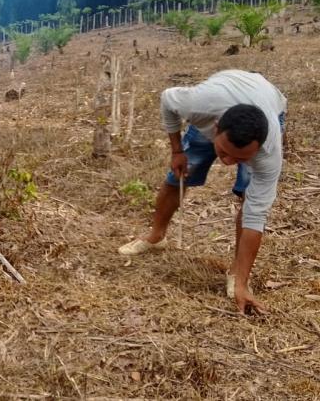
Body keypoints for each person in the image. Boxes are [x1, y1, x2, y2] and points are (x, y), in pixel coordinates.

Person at [118, 70, 287, 314]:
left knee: (248, 196)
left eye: (240, 158)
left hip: (269, 102)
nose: (228, 162)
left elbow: (256, 216)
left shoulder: (268, 154)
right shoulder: (198, 105)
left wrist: (242, 285)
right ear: (215, 128)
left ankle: (237, 273)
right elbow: (167, 100)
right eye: (224, 152)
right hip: (224, 95)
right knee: (178, 176)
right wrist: (177, 151)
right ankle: (156, 236)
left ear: (258, 149)